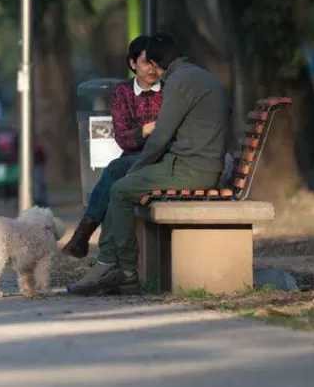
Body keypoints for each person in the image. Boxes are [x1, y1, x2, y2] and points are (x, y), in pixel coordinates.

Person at [68, 33, 229, 295]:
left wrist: (136, 170)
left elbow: (159, 138)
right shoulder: (193, 75)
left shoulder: (177, 82)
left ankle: (124, 270)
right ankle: (106, 262)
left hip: (190, 169)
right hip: (193, 162)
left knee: (120, 189)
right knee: (119, 176)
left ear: (154, 62)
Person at [62, 35, 163, 257]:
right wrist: (147, 129)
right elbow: (123, 138)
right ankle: (107, 259)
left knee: (114, 175)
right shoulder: (122, 91)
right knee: (115, 183)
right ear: (132, 63)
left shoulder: (169, 90)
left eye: (157, 62)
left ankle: (85, 239)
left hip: (160, 159)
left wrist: (146, 133)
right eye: (146, 62)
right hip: (133, 161)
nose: (152, 69)